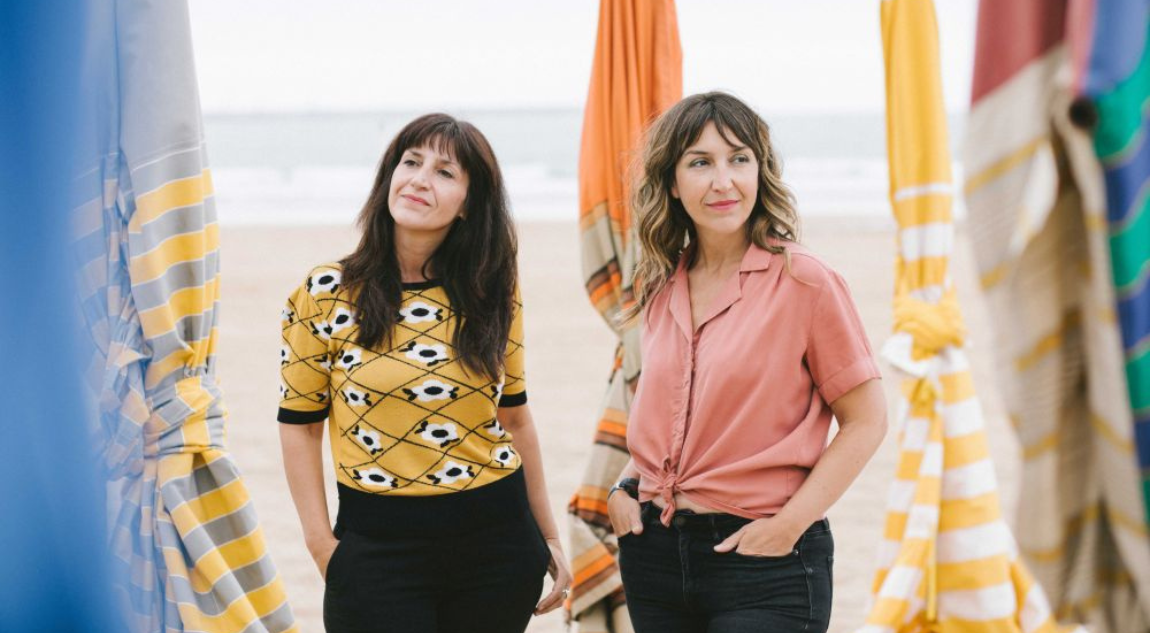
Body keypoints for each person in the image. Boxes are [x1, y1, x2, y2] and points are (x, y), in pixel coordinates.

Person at [277, 113, 572, 633]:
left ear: (468, 205)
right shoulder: (323, 293)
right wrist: (321, 545)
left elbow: (516, 419)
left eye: (444, 172)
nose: (419, 178)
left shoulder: (492, 294)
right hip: (376, 548)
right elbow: (300, 426)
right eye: (410, 162)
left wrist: (547, 536)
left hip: (497, 541)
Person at [607, 92, 888, 632]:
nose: (723, 181)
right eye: (700, 163)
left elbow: (867, 420)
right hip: (656, 558)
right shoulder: (662, 287)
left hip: (764, 562)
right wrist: (624, 488)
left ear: (761, 172)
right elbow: (672, 420)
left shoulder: (805, 281)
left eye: (739, 159)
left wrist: (788, 526)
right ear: (671, 181)